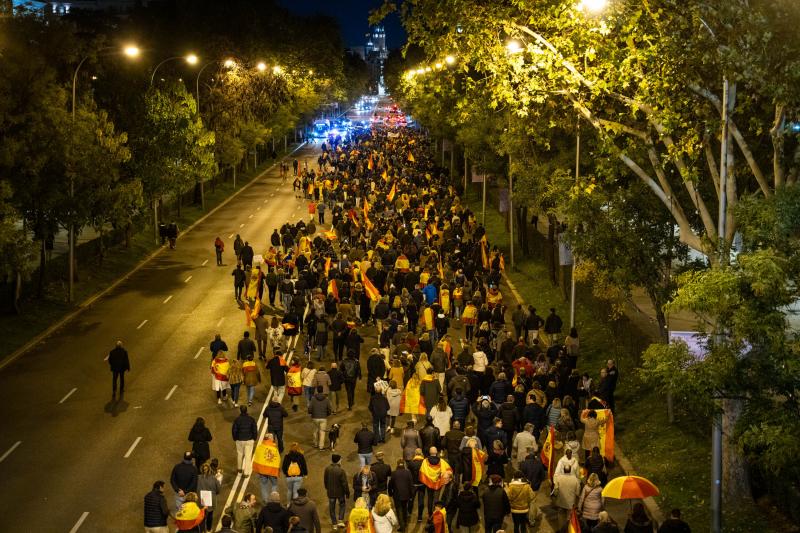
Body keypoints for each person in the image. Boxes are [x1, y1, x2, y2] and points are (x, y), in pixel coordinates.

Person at [420, 447, 452, 517]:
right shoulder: (441, 461)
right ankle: (436, 513)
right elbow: (447, 470)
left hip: (429, 483)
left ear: (429, 452)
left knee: (429, 498)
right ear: (436, 452)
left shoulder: (425, 461)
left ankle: (430, 513)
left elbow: (422, 471)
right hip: (438, 483)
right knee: (436, 498)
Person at [324, 454, 350, 530]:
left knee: (332, 508)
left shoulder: (327, 469)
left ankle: (334, 524)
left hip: (331, 492)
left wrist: (327, 488)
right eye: (340, 459)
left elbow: (325, 480)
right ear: (338, 460)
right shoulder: (341, 471)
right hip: (340, 493)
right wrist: (347, 493)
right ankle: (340, 520)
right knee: (342, 505)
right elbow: (344, 483)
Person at [253, 433, 281, 504]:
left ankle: (266, 501)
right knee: (274, 484)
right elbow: (278, 460)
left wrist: (257, 469)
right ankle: (273, 500)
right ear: (270, 439)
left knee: (263, 485)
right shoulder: (274, 448)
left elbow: (257, 458)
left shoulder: (260, 447)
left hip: (262, 470)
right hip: (272, 470)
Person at [388, 458, 414, 532]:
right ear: (404, 464)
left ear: (397, 464)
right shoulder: (408, 472)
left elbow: (390, 484)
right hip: (406, 495)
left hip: (397, 495)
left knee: (399, 511)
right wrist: (412, 495)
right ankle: (405, 523)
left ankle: (402, 527)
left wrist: (390, 493)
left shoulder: (394, 473)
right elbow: (411, 484)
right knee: (404, 508)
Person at [553, 465, 581, 530]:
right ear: (570, 470)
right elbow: (577, 493)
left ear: (564, 470)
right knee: (570, 519)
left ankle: (561, 529)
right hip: (571, 504)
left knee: (560, 517)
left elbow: (556, 491)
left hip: (560, 502)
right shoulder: (575, 479)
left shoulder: (559, 478)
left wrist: (555, 496)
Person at [232, 405, 258, 476]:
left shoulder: (237, 420)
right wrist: (254, 438)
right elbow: (254, 430)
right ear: (246, 410)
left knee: (240, 454)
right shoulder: (251, 419)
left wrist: (235, 438)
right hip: (249, 440)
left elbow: (234, 430)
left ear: (240, 410)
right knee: (248, 456)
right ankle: (246, 472)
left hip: (239, 440)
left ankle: (239, 469)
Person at [198, 462, 221, 531]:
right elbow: (218, 489)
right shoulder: (214, 478)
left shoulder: (198, 478)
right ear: (209, 469)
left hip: (201, 499)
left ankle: (201, 530)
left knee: (202, 515)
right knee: (210, 515)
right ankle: (208, 529)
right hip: (211, 499)